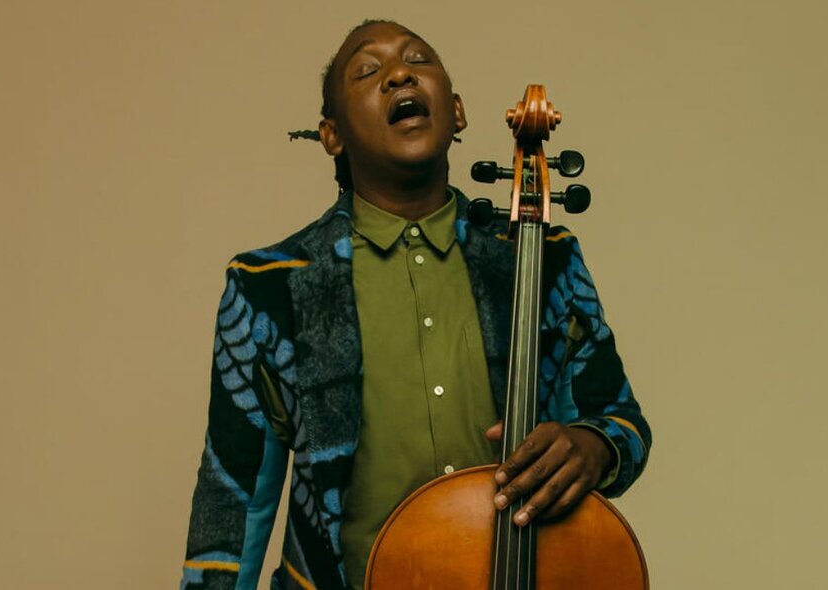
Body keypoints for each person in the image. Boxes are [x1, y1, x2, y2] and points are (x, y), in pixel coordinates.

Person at [181, 19, 651, 590]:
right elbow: (232, 503)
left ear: (456, 111)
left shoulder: (542, 258)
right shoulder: (268, 288)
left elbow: (623, 420)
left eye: (417, 60)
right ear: (332, 135)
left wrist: (593, 446)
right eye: (368, 71)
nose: (400, 73)